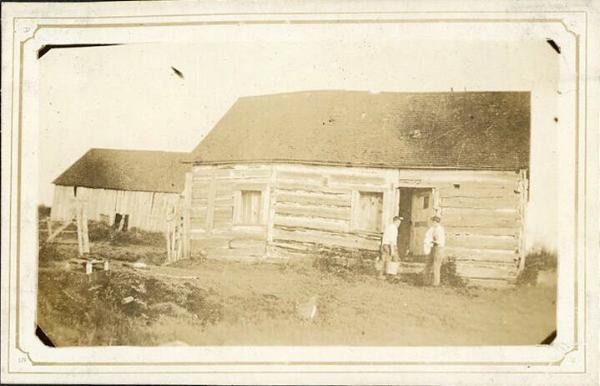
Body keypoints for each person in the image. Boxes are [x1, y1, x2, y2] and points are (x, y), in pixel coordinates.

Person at [423, 215, 446, 286]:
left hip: (438, 248)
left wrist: (432, 241)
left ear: (437, 222)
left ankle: (436, 283)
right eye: (433, 222)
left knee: (436, 265)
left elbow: (440, 241)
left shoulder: (440, 230)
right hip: (432, 248)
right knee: (428, 264)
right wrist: (428, 241)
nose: (433, 223)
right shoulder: (432, 229)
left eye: (435, 222)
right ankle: (426, 282)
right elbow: (427, 235)